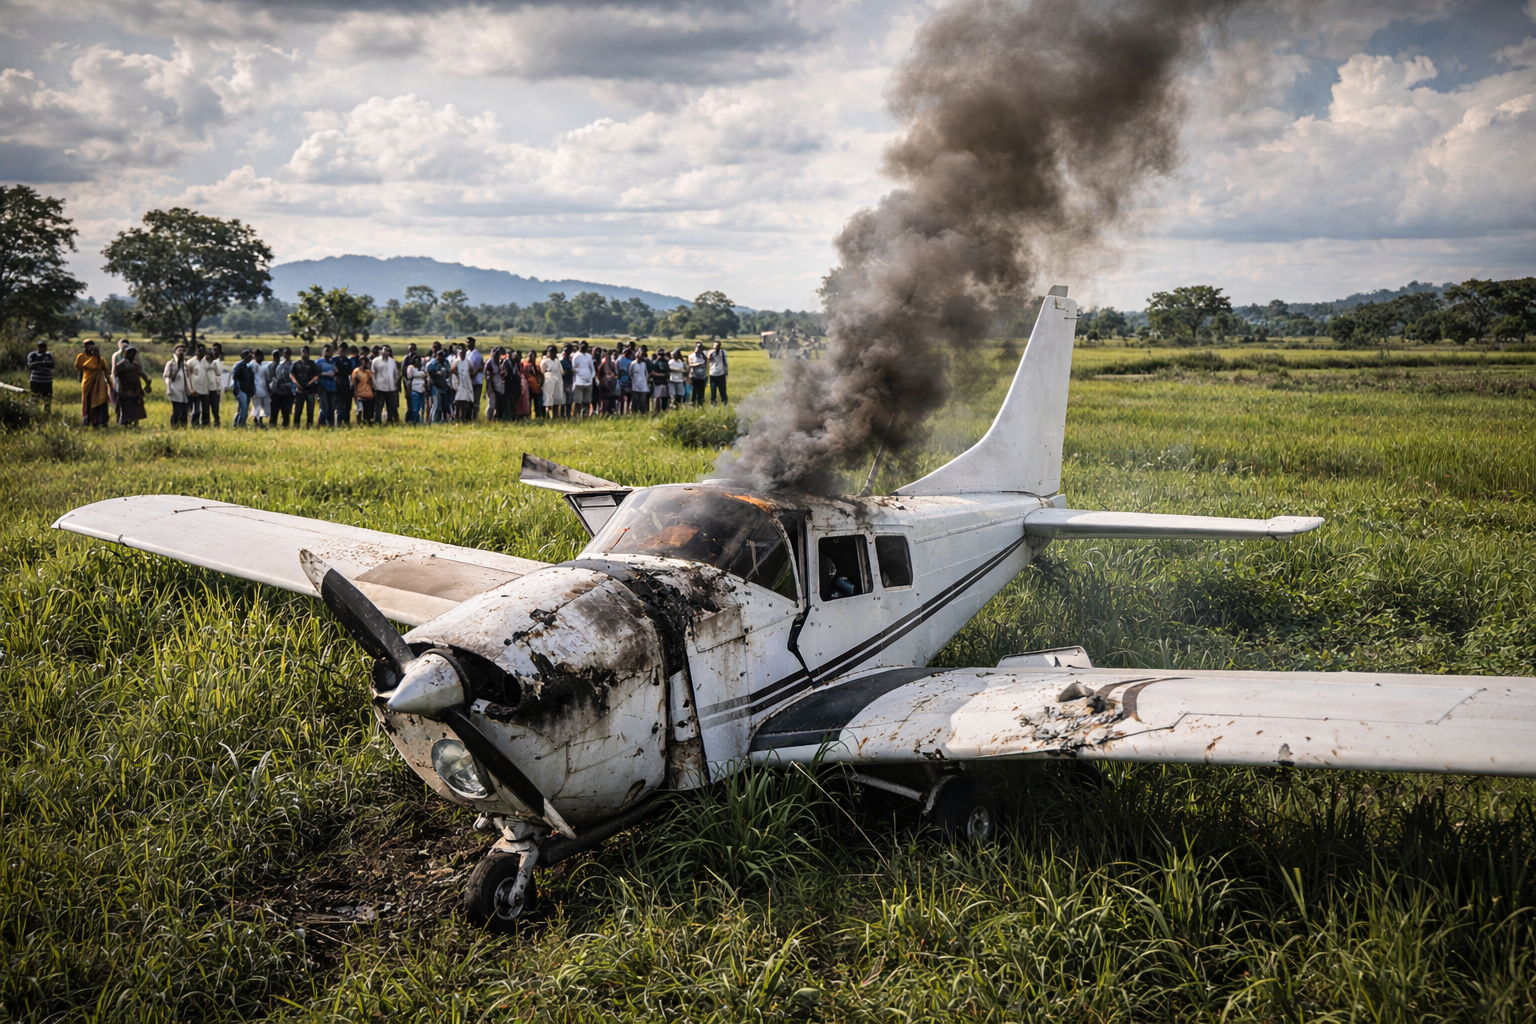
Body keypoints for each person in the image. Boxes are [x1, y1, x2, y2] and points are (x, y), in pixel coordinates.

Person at [75, 339, 111, 427]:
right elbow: (79, 368)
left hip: (99, 384)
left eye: (90, 346)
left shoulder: (100, 359)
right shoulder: (81, 357)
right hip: (87, 382)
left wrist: (97, 356)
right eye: (87, 346)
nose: (89, 348)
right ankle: (87, 420)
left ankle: (100, 420)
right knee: (87, 401)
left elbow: (105, 370)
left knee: (101, 401)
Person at [112, 347, 151, 427]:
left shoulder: (135, 365)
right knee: (126, 407)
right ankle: (126, 422)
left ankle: (135, 421)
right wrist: (117, 388)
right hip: (125, 389)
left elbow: (142, 373)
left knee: (136, 406)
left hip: (136, 389)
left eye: (133, 353)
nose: (132, 355)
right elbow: (115, 376)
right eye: (130, 353)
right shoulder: (121, 365)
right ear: (126, 354)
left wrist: (147, 382)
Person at [291, 346, 319, 428]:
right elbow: (292, 374)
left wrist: (309, 384)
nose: (304, 353)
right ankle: (296, 425)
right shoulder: (297, 364)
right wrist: (298, 384)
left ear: (309, 353)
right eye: (303, 351)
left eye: (306, 352)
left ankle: (309, 426)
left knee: (310, 410)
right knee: (298, 410)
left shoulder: (312, 364)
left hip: (310, 390)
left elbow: (316, 376)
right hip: (299, 391)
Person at [162, 343, 190, 426]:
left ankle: (183, 426)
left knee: (185, 410)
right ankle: (174, 426)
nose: (181, 352)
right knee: (177, 410)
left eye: (183, 350)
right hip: (175, 390)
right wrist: (168, 388)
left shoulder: (186, 363)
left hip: (185, 390)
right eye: (179, 350)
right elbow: (167, 377)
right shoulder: (171, 363)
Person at [372, 345, 399, 424]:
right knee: (379, 407)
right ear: (381, 351)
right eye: (385, 350)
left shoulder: (392, 361)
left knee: (390, 406)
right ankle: (377, 422)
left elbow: (395, 374)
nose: (386, 352)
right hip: (379, 387)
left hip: (391, 388)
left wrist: (396, 383)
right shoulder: (376, 361)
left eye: (388, 351)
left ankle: (390, 421)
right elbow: (373, 374)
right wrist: (374, 385)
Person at [27, 340, 55, 415]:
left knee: (47, 399)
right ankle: (33, 414)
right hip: (36, 380)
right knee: (34, 398)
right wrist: (43, 363)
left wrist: (40, 363)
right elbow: (31, 366)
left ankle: (47, 414)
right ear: (38, 348)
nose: (42, 349)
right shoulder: (33, 355)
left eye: (44, 347)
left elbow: (52, 365)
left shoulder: (49, 355)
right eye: (41, 347)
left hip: (47, 381)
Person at [231, 349, 257, 426]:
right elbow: (235, 378)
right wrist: (237, 390)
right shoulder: (239, 365)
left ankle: (237, 423)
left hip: (247, 390)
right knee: (244, 409)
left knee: (242, 408)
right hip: (241, 390)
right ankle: (240, 424)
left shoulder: (247, 366)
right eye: (248, 357)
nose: (250, 359)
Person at [268, 348, 294, 427]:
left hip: (287, 392)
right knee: (274, 410)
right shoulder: (279, 364)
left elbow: (294, 379)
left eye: (288, 353)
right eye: (285, 353)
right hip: (277, 391)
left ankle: (285, 426)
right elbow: (272, 376)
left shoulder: (292, 365)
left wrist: (287, 385)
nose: (286, 355)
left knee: (286, 412)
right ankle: (272, 425)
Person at [426, 348, 451, 422]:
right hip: (436, 386)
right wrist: (436, 374)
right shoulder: (433, 363)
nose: (441, 357)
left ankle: (444, 419)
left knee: (445, 404)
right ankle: (433, 420)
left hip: (444, 385)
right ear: (436, 356)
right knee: (436, 404)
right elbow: (429, 372)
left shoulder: (446, 362)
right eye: (439, 355)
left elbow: (448, 372)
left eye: (442, 355)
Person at [540, 345, 565, 418]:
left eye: (552, 352)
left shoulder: (557, 361)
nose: (550, 353)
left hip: (558, 380)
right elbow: (542, 370)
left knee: (556, 399)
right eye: (549, 352)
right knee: (548, 398)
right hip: (549, 380)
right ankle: (547, 416)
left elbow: (561, 371)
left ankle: (555, 416)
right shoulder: (545, 361)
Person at [571, 341, 595, 417]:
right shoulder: (576, 356)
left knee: (587, 401)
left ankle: (585, 416)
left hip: (588, 382)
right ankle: (576, 416)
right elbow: (573, 369)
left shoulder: (589, 356)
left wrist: (591, 378)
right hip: (578, 382)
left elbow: (592, 369)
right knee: (578, 401)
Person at [453, 343, 475, 422]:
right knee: (458, 402)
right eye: (461, 353)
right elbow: (452, 372)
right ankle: (457, 419)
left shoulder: (468, 362)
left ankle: (466, 419)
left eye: (464, 353)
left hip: (466, 384)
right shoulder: (456, 362)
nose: (462, 354)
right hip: (459, 385)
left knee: (467, 402)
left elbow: (471, 372)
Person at [333, 344, 354, 425]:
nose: (342, 353)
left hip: (347, 387)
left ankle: (346, 421)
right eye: (341, 351)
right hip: (338, 387)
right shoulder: (335, 360)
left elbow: (349, 373)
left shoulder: (349, 361)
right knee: (339, 406)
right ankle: (338, 422)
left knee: (347, 406)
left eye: (344, 351)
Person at [351, 357, 376, 424]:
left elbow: (372, 383)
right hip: (359, 394)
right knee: (359, 410)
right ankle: (358, 423)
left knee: (367, 410)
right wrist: (355, 393)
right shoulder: (356, 372)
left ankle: (366, 422)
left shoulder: (368, 372)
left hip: (368, 394)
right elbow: (354, 383)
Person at [206, 344, 226, 426]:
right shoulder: (208, 360)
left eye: (217, 350)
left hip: (215, 388)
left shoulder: (220, 361)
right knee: (205, 407)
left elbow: (221, 373)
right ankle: (206, 423)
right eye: (214, 349)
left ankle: (216, 422)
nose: (215, 351)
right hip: (206, 388)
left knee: (215, 407)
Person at [405, 354, 427, 424]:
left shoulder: (422, 369)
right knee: (415, 408)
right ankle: (414, 421)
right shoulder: (411, 368)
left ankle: (421, 421)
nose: (417, 362)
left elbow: (426, 377)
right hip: (414, 389)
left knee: (422, 408)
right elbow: (409, 379)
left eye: (418, 361)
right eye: (416, 361)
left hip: (422, 389)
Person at [250, 350, 270, 427]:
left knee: (263, 407)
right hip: (256, 389)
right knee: (257, 406)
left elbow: (267, 378)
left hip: (264, 389)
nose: (262, 358)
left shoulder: (263, 367)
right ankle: (256, 421)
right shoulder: (253, 365)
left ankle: (260, 421)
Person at [628, 345, 650, 415]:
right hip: (635, 386)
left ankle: (643, 414)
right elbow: (630, 374)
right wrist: (633, 381)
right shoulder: (633, 364)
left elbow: (647, 375)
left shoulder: (644, 364)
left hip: (643, 386)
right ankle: (634, 414)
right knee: (634, 402)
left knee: (642, 402)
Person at [466, 338, 484, 418]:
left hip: (476, 381)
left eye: (469, 343)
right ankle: (469, 417)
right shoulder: (467, 353)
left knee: (475, 402)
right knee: (469, 401)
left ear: (473, 343)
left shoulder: (477, 355)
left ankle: (475, 417)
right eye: (467, 343)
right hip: (469, 381)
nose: (467, 344)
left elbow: (478, 367)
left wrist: (473, 374)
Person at [708, 340, 729, 405]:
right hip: (713, 374)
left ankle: (725, 406)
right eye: (715, 345)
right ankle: (713, 405)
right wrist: (713, 350)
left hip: (721, 374)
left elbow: (725, 363)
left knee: (723, 392)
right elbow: (708, 358)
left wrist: (726, 373)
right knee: (713, 392)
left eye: (717, 345)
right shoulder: (710, 352)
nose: (716, 347)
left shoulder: (723, 352)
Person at [688, 342, 708, 406]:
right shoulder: (691, 355)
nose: (698, 349)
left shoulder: (704, 356)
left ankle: (700, 405)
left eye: (700, 348)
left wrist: (702, 353)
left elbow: (707, 362)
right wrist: (698, 364)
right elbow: (690, 364)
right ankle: (692, 404)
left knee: (701, 393)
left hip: (702, 377)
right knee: (694, 392)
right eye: (697, 347)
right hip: (694, 376)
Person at [651, 348, 669, 413]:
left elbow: (653, 373)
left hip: (657, 382)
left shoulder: (655, 362)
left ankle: (657, 412)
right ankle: (663, 411)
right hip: (663, 382)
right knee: (663, 398)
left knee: (657, 398)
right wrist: (664, 375)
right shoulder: (667, 362)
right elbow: (668, 373)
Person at [560, 344, 576, 419]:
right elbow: (563, 372)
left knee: (569, 401)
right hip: (563, 382)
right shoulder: (561, 362)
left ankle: (568, 415)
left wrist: (568, 372)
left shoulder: (571, 362)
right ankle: (562, 415)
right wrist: (569, 371)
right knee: (563, 400)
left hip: (570, 382)